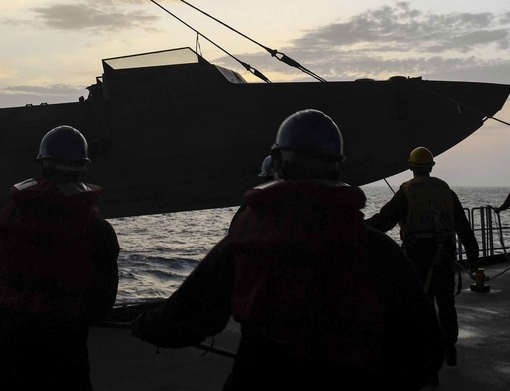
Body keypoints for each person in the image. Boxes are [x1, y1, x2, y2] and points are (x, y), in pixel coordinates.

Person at [132, 110, 444, 390]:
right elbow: (425, 350)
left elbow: (186, 319)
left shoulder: (244, 242)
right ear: (338, 168)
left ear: (278, 164)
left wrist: (142, 324)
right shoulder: (376, 248)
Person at [0, 125, 119, 391]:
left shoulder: (11, 213)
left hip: (7, 340)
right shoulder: (97, 230)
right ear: (84, 169)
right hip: (63, 345)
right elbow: (102, 301)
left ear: (42, 166)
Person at [366, 146, 479, 368]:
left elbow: (384, 221)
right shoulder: (446, 190)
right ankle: (450, 347)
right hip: (445, 255)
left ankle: (427, 356)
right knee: (446, 303)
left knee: (422, 305)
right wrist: (473, 257)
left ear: (411, 166)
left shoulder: (407, 191)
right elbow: (463, 226)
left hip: (418, 255)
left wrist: (360, 226)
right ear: (431, 166)